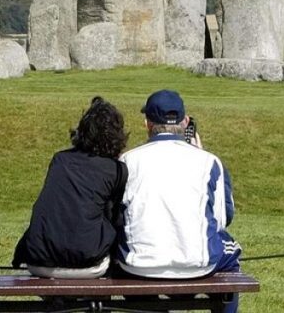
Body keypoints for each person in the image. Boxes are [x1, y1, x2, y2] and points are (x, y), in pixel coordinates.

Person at [116, 90, 242, 313]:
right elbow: (223, 219)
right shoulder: (209, 162)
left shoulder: (127, 160)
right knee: (232, 253)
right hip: (198, 263)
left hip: (138, 264)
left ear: (147, 124)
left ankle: (152, 309)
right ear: (185, 122)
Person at [12, 96, 128, 278]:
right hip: (88, 263)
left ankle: (62, 303)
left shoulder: (60, 160)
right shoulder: (115, 170)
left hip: (38, 261)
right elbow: (116, 217)